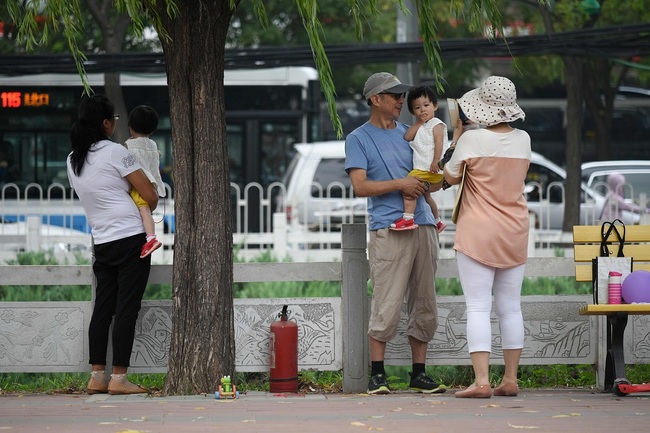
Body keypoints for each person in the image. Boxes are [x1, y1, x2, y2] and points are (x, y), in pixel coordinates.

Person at [345, 72, 446, 395]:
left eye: (403, 95)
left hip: (424, 225)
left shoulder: (412, 134)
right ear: (375, 99)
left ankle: (419, 373)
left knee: (425, 300)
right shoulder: (359, 138)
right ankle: (378, 374)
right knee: (386, 302)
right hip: (389, 228)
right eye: (394, 95)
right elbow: (360, 187)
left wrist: (439, 177)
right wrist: (401, 184)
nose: (402, 101)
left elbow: (433, 180)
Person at [442, 76, 530, 398]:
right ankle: (510, 379)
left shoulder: (471, 141)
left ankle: (481, 382)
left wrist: (458, 137)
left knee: (478, 307)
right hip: (515, 231)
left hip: (478, 231)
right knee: (510, 307)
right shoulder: (524, 140)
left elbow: (449, 177)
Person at [67, 95, 159, 395]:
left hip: (102, 241)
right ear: (106, 123)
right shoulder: (116, 152)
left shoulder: (72, 159)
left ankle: (97, 376)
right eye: (114, 120)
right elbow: (150, 195)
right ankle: (119, 379)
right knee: (126, 310)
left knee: (103, 309)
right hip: (132, 239)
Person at [390, 86, 447, 232]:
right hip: (424, 169)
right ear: (412, 111)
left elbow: (439, 143)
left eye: (426, 105)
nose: (423, 110)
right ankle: (438, 221)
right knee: (427, 197)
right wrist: (419, 123)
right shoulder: (421, 126)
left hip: (429, 168)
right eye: (417, 107)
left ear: (435, 105)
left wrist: (436, 161)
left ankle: (408, 219)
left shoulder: (436, 124)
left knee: (409, 189)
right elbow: (407, 136)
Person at [124, 105, 166, 258]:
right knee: (146, 210)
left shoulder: (129, 145)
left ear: (131, 127)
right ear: (153, 129)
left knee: (143, 210)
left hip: (139, 185)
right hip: (152, 184)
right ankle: (150, 237)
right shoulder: (153, 145)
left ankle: (151, 239)